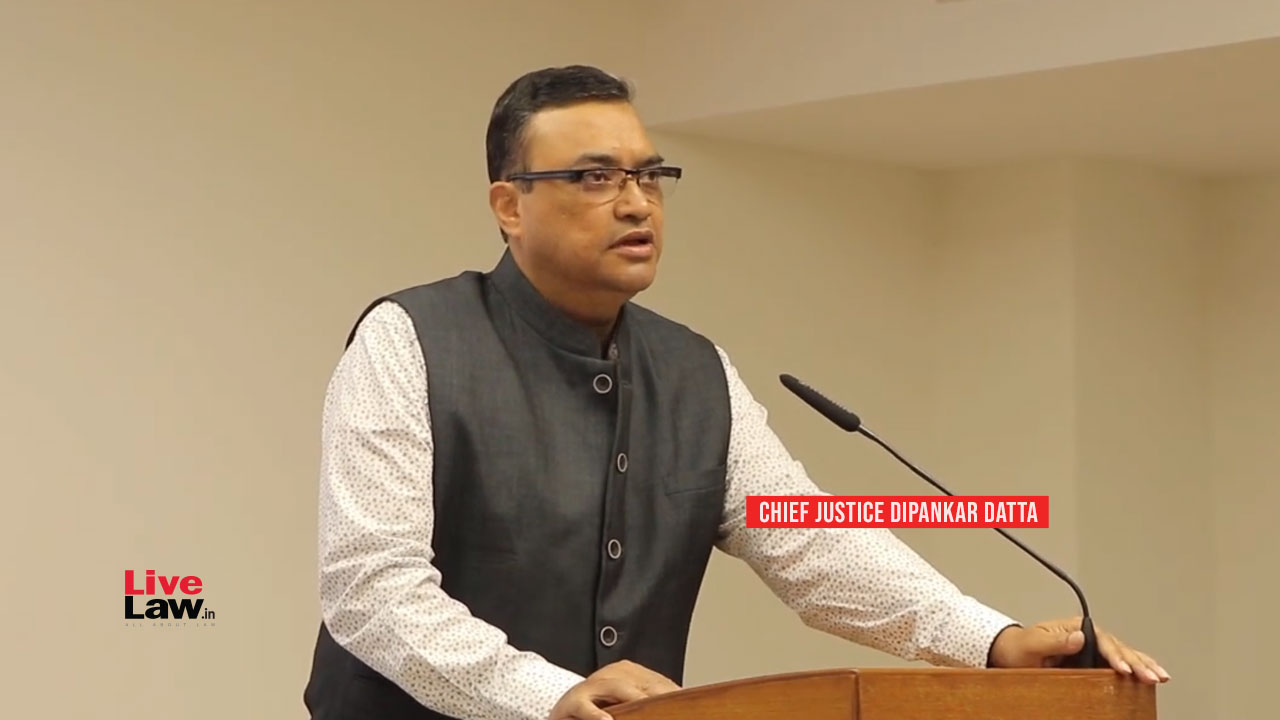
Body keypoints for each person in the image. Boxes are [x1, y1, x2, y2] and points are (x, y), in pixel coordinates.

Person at [302, 65, 1168, 720]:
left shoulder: (695, 372)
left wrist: (991, 640)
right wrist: (544, 695)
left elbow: (810, 543)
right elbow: (370, 588)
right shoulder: (409, 340)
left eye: (650, 175)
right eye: (595, 177)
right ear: (509, 205)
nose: (636, 203)